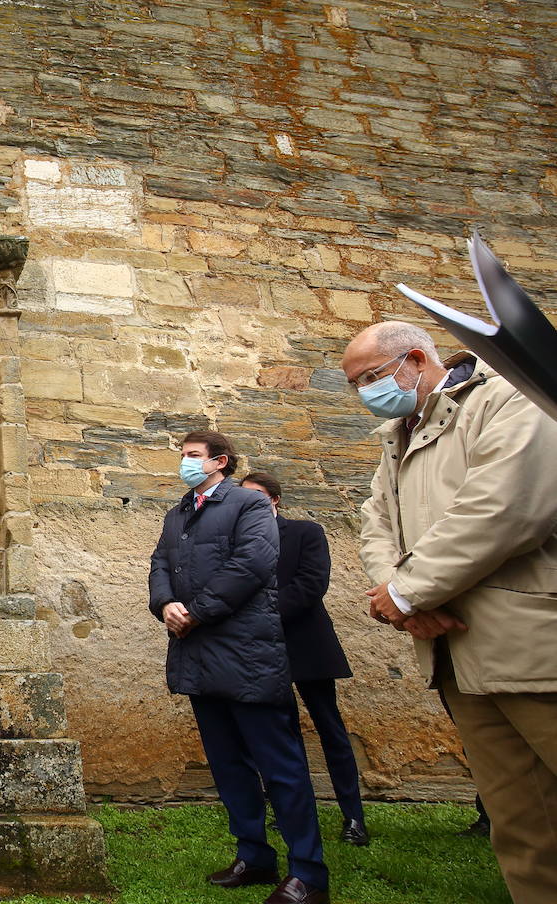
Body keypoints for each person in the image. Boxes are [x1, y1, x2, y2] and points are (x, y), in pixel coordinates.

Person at [343, 320, 557, 904]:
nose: (364, 393)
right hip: (455, 657)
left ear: (415, 357)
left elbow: (504, 508)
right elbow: (375, 522)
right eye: (356, 385)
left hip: (531, 648)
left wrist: (412, 594)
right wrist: (398, 596)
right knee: (522, 826)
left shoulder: (511, 396)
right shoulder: (398, 434)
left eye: (370, 378)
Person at [150, 431, 328, 904]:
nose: (184, 464)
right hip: (198, 657)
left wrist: (197, 611)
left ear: (219, 461)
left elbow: (253, 564)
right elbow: (159, 564)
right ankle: (254, 855)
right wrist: (165, 603)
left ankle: (308, 874)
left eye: (192, 456)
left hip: (247, 654)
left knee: (281, 766)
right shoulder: (178, 513)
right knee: (229, 765)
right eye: (182, 456)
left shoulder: (248, 506)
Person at [241, 471, 368, 847]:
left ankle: (354, 817)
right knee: (281, 734)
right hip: (262, 648)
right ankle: (293, 812)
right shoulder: (239, 540)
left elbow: (311, 584)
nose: (251, 503)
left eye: (258, 496)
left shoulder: (305, 532)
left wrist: (261, 613)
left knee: (330, 729)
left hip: (306, 642)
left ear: (274, 499)